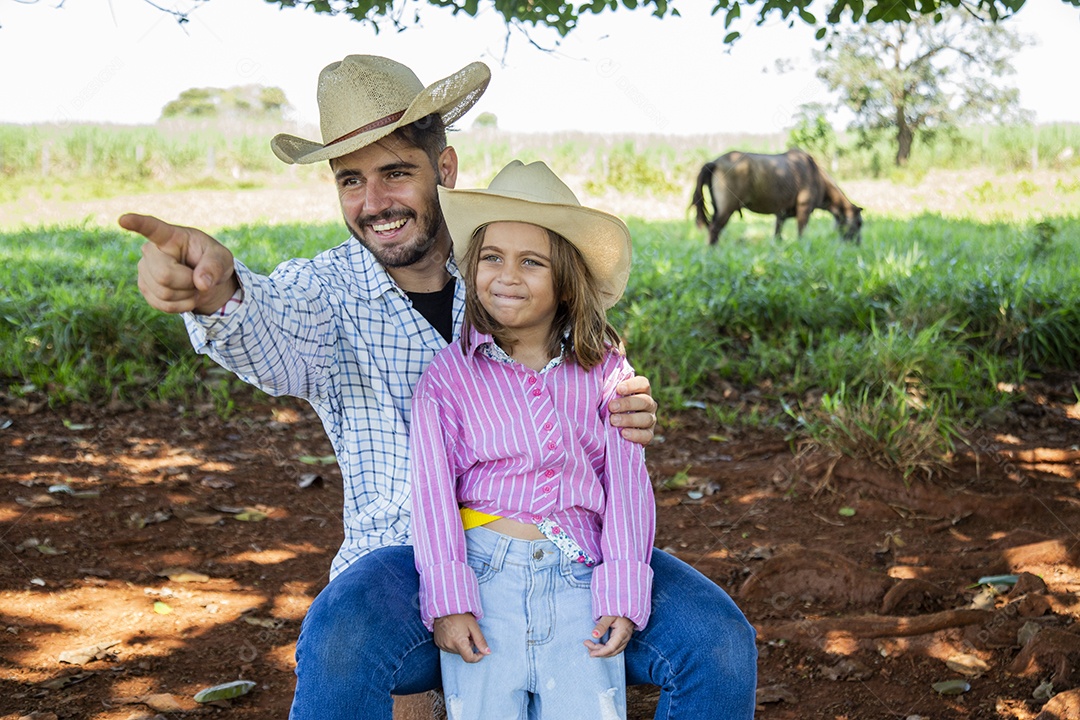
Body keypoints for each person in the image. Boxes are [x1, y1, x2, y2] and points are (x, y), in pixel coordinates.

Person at [119, 55, 757, 720]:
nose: (374, 203)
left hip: (568, 548)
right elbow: (267, 329)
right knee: (342, 631)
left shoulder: (518, 268)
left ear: (443, 172)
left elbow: (596, 394)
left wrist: (624, 410)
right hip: (406, 562)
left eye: (395, 173)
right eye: (350, 181)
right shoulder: (328, 294)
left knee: (717, 643)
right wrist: (216, 291)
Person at [410, 160, 653, 719]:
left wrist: (620, 590)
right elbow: (431, 496)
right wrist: (450, 600)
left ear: (565, 278)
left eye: (531, 262)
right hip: (485, 574)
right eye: (492, 258)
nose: (507, 275)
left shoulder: (606, 372)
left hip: (579, 577)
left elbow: (627, 487)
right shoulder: (448, 377)